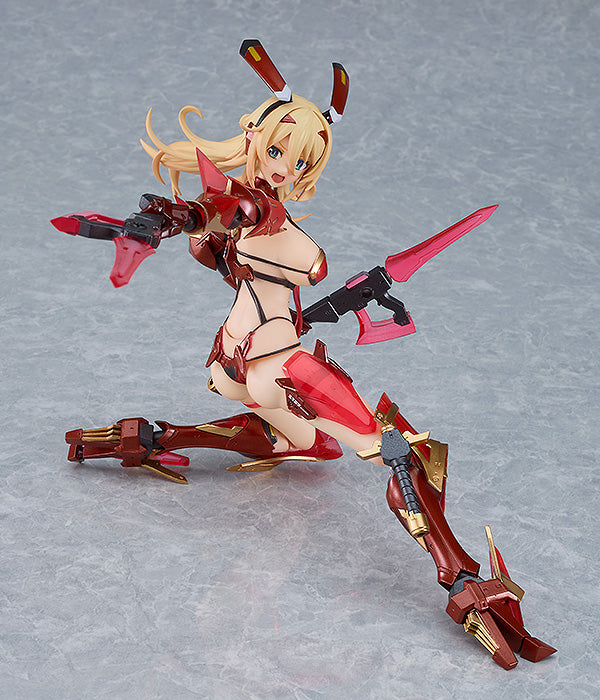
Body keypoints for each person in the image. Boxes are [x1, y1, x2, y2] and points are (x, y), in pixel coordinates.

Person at [55, 39, 555, 670]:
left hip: (240, 364)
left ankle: (152, 437)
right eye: (277, 151)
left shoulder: (255, 218)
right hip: (277, 365)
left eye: (300, 161)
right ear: (254, 139)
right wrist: (164, 221)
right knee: (402, 450)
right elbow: (232, 217)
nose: (284, 168)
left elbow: (237, 224)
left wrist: (176, 221)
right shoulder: (253, 216)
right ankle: (463, 581)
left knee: (319, 443)